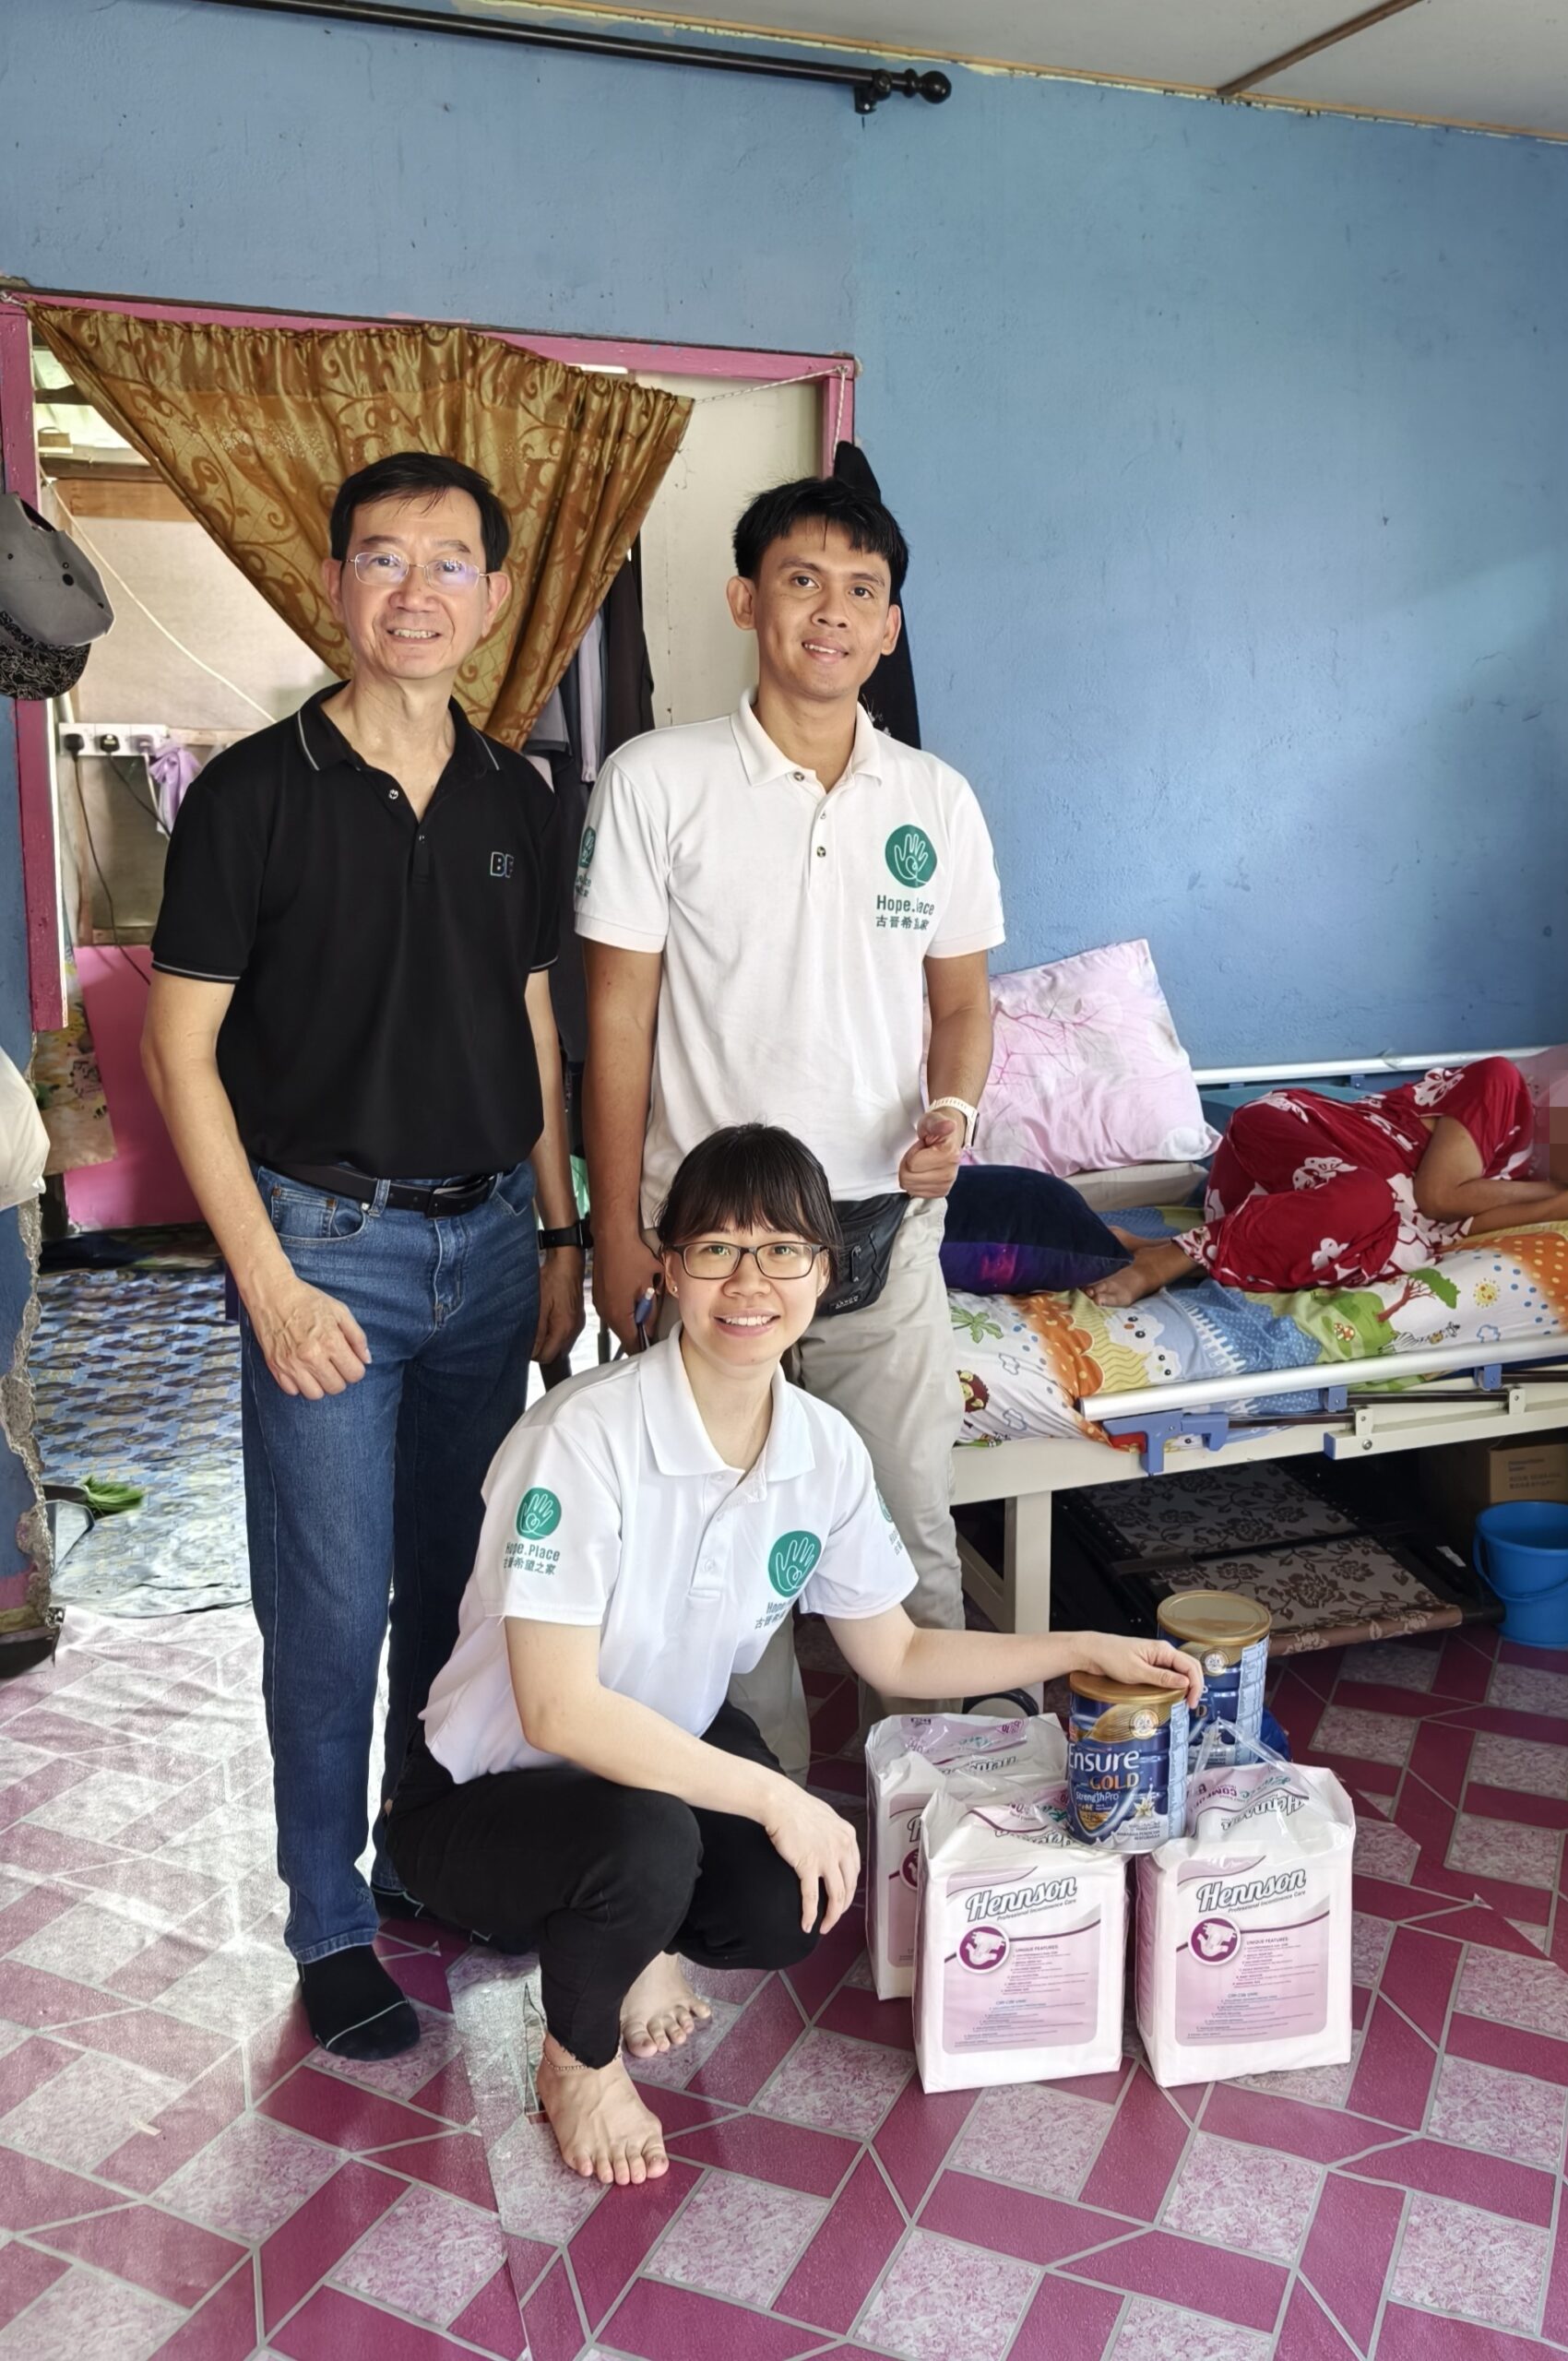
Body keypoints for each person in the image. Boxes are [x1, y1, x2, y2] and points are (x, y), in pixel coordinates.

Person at [384, 1124, 1199, 2183]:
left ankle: (638, 1942)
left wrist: (1082, 1646)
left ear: (826, 1270)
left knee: (777, 1902)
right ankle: (577, 2061)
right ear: (668, 1268)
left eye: (782, 1250)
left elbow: (898, 1651)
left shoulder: (821, 1448)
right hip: (481, 1791)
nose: (749, 1281)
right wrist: (778, 1797)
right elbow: (559, 1712)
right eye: (716, 1249)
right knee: (652, 1845)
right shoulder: (581, 1438)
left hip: (652, 1757)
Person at [144, 453, 586, 2058]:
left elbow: (530, 1018)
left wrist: (558, 1228)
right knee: (329, 1610)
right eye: (383, 558)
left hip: (491, 1244)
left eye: (450, 561)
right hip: (324, 1250)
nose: (416, 590)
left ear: (493, 594)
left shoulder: (519, 797)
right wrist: (267, 1283)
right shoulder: (252, 795)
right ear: (335, 583)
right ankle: (328, 1921)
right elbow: (182, 1054)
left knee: (458, 1588)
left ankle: (421, 1851)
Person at [577, 476, 998, 1774]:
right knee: (721, 1573)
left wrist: (952, 1110)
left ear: (889, 627)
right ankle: (759, 1835)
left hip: (880, 1238)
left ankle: (932, 1835)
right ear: (745, 599)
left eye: (863, 591)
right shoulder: (657, 780)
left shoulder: (935, 800)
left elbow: (963, 1005)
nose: (832, 611)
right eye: (803, 580)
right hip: (714, 1250)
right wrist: (612, 1230)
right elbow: (616, 1021)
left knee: (910, 1548)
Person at [1089, 1055, 1568, 1305]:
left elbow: (1471, 1226)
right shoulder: (1503, 1085)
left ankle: (1173, 1248)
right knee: (1370, 1202)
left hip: (1292, 1215)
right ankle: (1167, 1260)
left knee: (1395, 1248)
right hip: (1287, 1138)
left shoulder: (1519, 1174)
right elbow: (1440, 1198)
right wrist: (1564, 1192)